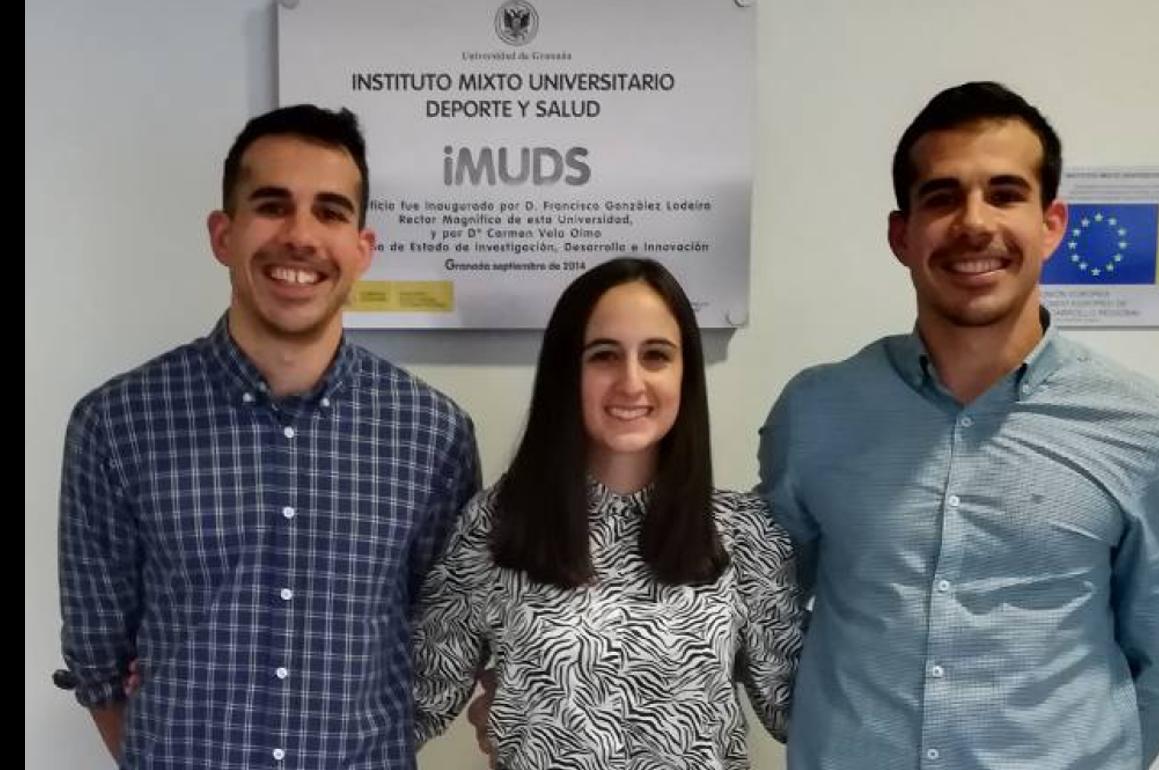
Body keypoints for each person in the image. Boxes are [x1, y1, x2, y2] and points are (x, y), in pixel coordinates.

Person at [759, 81, 1159, 770]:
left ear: (1051, 225)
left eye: (1005, 194)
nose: (974, 223)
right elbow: (771, 608)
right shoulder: (814, 412)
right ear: (902, 235)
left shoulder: (1153, 432)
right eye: (942, 197)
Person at [57, 104, 481, 769]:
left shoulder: (434, 437)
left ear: (362, 249)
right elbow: (99, 662)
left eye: (330, 212)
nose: (300, 236)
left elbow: (444, 646)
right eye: (272, 206)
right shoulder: (116, 425)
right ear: (223, 234)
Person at [411, 257, 804, 768]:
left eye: (656, 356)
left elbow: (798, 711)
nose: (631, 382)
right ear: (566, 371)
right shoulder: (496, 525)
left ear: (685, 374)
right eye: (604, 356)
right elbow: (416, 701)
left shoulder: (745, 534)